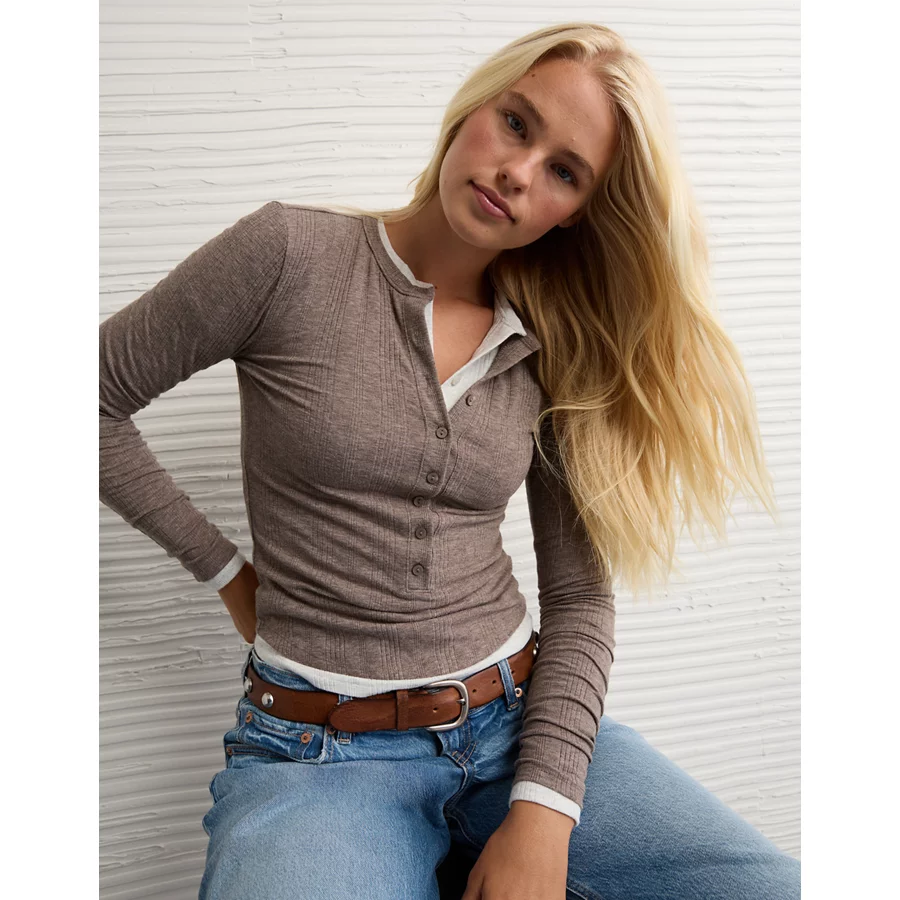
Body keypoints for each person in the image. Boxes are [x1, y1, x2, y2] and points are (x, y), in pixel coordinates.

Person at [99, 21, 800, 900]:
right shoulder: (288, 256)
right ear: (475, 106)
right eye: (516, 123)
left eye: (563, 171)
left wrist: (543, 812)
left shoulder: (553, 339)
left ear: (574, 212)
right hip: (318, 751)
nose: (519, 171)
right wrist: (227, 572)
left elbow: (581, 598)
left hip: (517, 728)